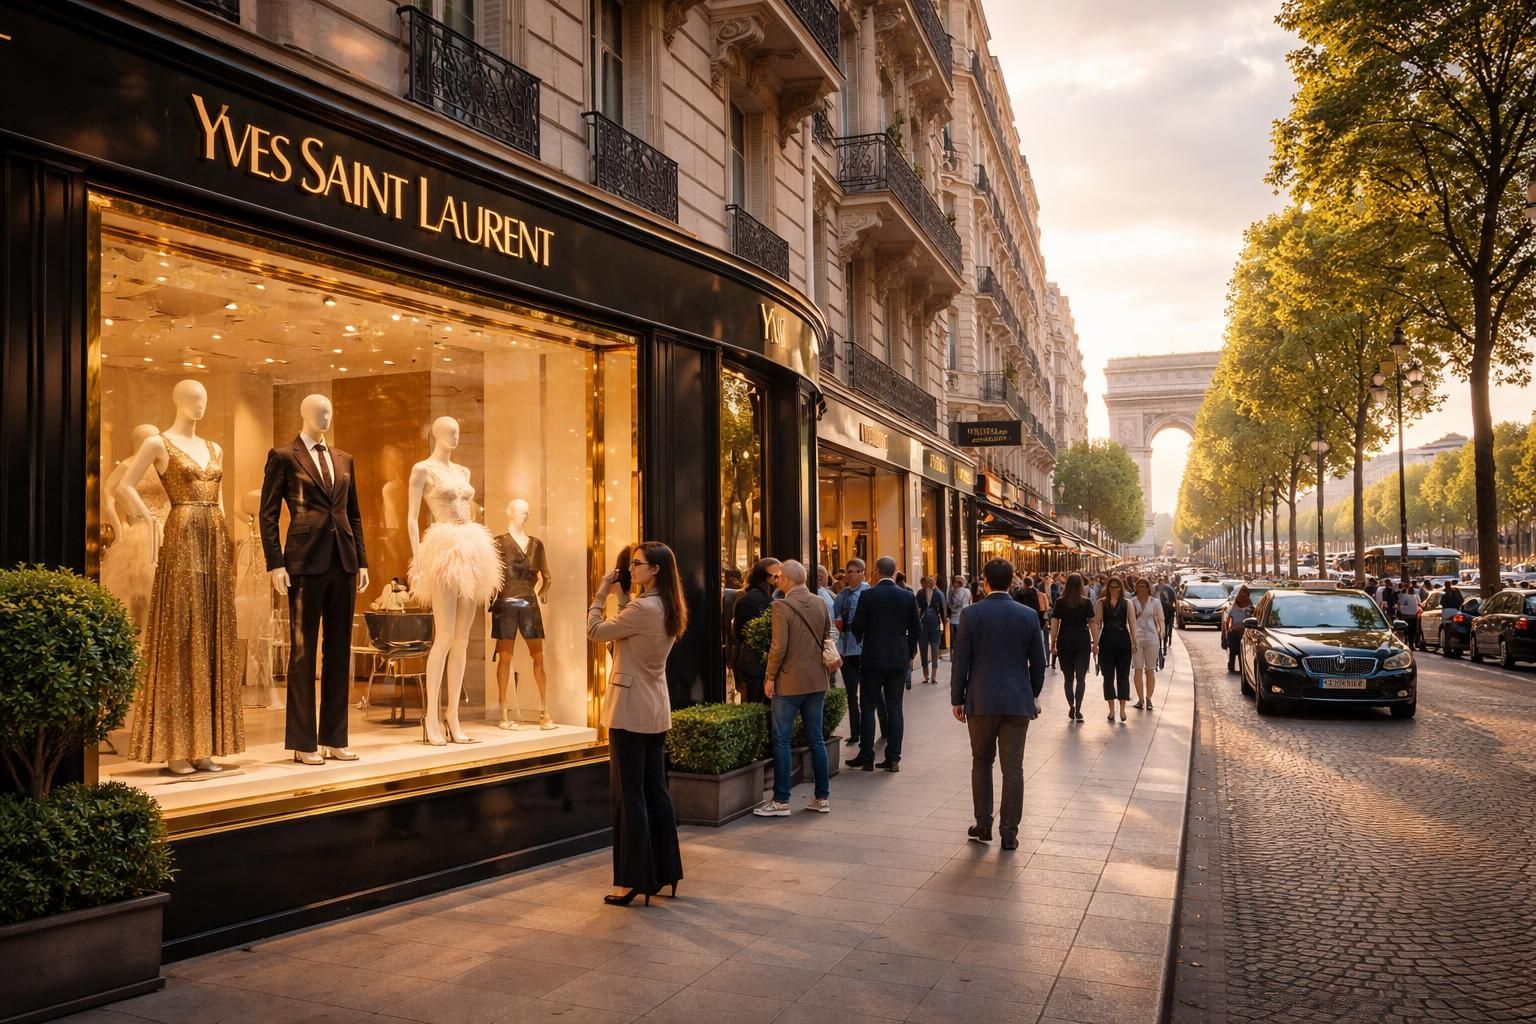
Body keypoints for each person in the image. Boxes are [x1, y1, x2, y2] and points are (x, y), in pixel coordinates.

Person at [587, 541, 687, 907]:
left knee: (628, 797)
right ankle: (665, 872)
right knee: (655, 792)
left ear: (655, 569)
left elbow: (596, 632)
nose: (631, 569)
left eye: (637, 563)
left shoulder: (645, 607)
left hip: (629, 711)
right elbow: (631, 633)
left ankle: (632, 880)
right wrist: (624, 598)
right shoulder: (667, 605)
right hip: (654, 708)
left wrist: (600, 595)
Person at [951, 558, 1047, 850]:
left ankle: (983, 824)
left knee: (981, 761)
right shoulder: (1029, 615)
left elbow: (961, 660)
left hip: (981, 698)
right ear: (1013, 580)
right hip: (1017, 699)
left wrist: (958, 698)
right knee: (1013, 768)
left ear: (984, 581)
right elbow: (1039, 663)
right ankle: (1009, 832)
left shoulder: (971, 614)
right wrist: (1032, 694)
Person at [754, 561, 835, 817]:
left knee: (782, 740)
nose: (776, 581)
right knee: (817, 739)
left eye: (778, 577)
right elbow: (827, 636)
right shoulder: (820, 602)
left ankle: (781, 801)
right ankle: (821, 798)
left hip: (789, 682)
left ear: (787, 580)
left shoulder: (781, 606)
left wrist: (769, 677)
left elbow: (778, 647)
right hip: (817, 681)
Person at [848, 556, 920, 772]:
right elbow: (916, 628)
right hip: (898, 657)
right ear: (895, 571)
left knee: (868, 706)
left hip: (873, 657)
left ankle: (867, 756)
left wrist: (865, 639)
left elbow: (857, 626)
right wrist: (909, 651)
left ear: (876, 571)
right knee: (895, 707)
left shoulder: (868, 596)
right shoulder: (907, 596)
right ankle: (893, 758)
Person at [833, 559, 875, 749]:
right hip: (847, 650)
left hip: (864, 650)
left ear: (862, 572)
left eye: (853, 571)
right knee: (851, 694)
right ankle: (855, 732)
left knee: (873, 694)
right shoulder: (842, 595)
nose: (849, 575)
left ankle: (882, 728)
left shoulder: (869, 593)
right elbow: (835, 621)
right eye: (847, 572)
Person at [731, 558, 780, 704]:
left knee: (755, 704)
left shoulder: (746, 599)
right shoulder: (764, 601)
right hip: (757, 662)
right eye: (777, 575)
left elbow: (738, 633)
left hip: (750, 661)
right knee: (761, 704)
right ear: (769, 578)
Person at [1050, 572, 1094, 723]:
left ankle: (1071, 704)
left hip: (1065, 640)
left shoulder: (1060, 602)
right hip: (1082, 640)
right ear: (1081, 585)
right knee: (1081, 678)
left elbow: (1055, 622)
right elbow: (1092, 622)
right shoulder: (1086, 602)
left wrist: (1053, 642)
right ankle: (1079, 708)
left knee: (1068, 678)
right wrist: (1096, 642)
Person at [1094, 577, 1136, 723]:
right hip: (1106, 641)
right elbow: (1097, 623)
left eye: (1116, 587)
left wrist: (1134, 642)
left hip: (1123, 640)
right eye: (1111, 587)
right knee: (1108, 676)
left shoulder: (1127, 603)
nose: (1114, 589)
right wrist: (1095, 642)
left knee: (1123, 675)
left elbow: (1132, 623)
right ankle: (1111, 709)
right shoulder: (1101, 603)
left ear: (1121, 588)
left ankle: (1123, 709)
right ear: (1107, 587)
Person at [1130, 577, 1165, 711]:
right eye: (1139, 586)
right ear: (1136, 588)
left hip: (1152, 638)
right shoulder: (1131, 603)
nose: (1142, 588)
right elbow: (1130, 620)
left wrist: (1161, 632)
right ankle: (1140, 699)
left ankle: (1149, 698)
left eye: (1144, 586)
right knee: (1138, 669)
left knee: (1150, 669)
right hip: (1137, 639)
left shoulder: (1155, 602)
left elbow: (1161, 618)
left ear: (1148, 588)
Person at [915, 576, 946, 684]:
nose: (927, 584)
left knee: (935, 649)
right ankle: (926, 675)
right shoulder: (920, 594)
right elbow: (916, 609)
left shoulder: (938, 594)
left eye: (929, 582)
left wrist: (943, 624)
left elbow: (943, 610)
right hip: (923, 625)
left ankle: (933, 676)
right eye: (925, 583)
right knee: (923, 650)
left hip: (935, 625)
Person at [1224, 584, 1254, 674]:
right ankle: (1231, 667)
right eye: (1240, 595)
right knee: (1233, 651)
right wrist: (1228, 631)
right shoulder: (1232, 607)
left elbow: (1253, 619)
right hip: (1233, 633)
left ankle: (1242, 668)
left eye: (1244, 595)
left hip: (1244, 633)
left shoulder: (1250, 607)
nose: (1242, 598)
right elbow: (1227, 620)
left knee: (1242, 652)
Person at [946, 573, 973, 653]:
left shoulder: (952, 592)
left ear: (959, 583)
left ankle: (955, 653)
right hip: (962, 617)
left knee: (956, 638)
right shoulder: (965, 591)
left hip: (957, 618)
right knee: (960, 638)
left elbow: (949, 604)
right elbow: (970, 602)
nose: (953, 583)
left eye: (954, 582)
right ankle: (959, 653)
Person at [1395, 581, 1421, 649]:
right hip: (1413, 616)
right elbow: (1419, 605)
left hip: (1406, 616)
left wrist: (1400, 611)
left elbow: (1399, 606)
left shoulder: (1404, 596)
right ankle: (1411, 645)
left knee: (1404, 630)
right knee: (1412, 631)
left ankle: (1405, 643)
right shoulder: (1415, 597)